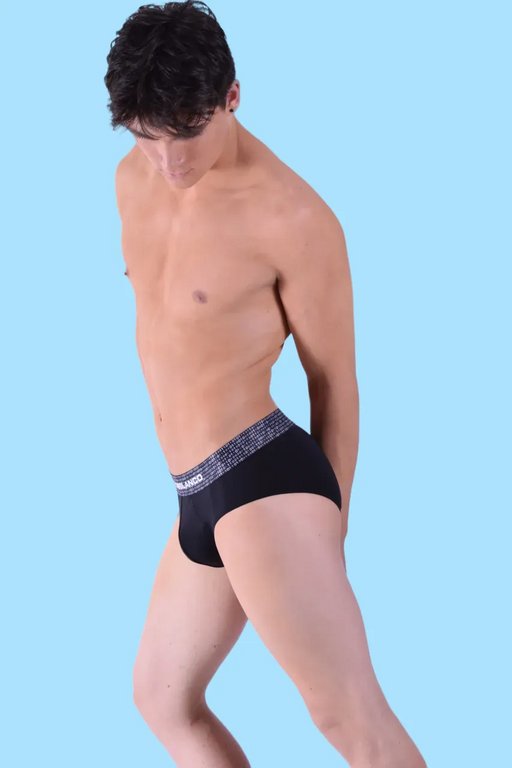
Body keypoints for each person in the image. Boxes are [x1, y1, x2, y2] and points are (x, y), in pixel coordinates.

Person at [104, 2, 427, 766]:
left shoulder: (295, 218)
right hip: (193, 490)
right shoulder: (131, 179)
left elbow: (335, 383)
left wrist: (332, 533)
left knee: (349, 719)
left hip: (263, 478)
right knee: (164, 699)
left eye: (188, 132)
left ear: (232, 97)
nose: (169, 161)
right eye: (149, 136)